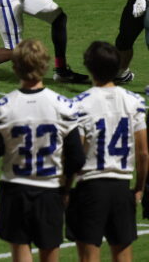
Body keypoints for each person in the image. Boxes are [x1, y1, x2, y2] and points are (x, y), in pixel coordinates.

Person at [0, 38, 84, 262]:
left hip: (15, 191)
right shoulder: (63, 106)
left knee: (20, 252)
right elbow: (77, 158)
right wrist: (65, 188)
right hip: (50, 190)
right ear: (45, 65)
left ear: (15, 67)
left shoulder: (3, 108)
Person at [67, 41, 147, 262]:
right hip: (122, 187)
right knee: (123, 256)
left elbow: (75, 154)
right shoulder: (134, 101)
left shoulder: (79, 104)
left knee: (89, 256)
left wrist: (65, 188)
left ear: (89, 67)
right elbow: (143, 153)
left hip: (90, 187)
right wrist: (139, 188)